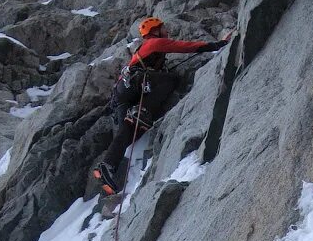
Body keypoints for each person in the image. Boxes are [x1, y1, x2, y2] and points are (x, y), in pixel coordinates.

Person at [93, 17, 229, 194]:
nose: (166, 30)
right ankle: (142, 110)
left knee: (128, 132)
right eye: (162, 27)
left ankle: (107, 166)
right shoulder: (154, 43)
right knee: (171, 80)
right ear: (155, 31)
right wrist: (217, 45)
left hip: (123, 94)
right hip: (133, 85)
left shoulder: (146, 49)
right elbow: (184, 46)